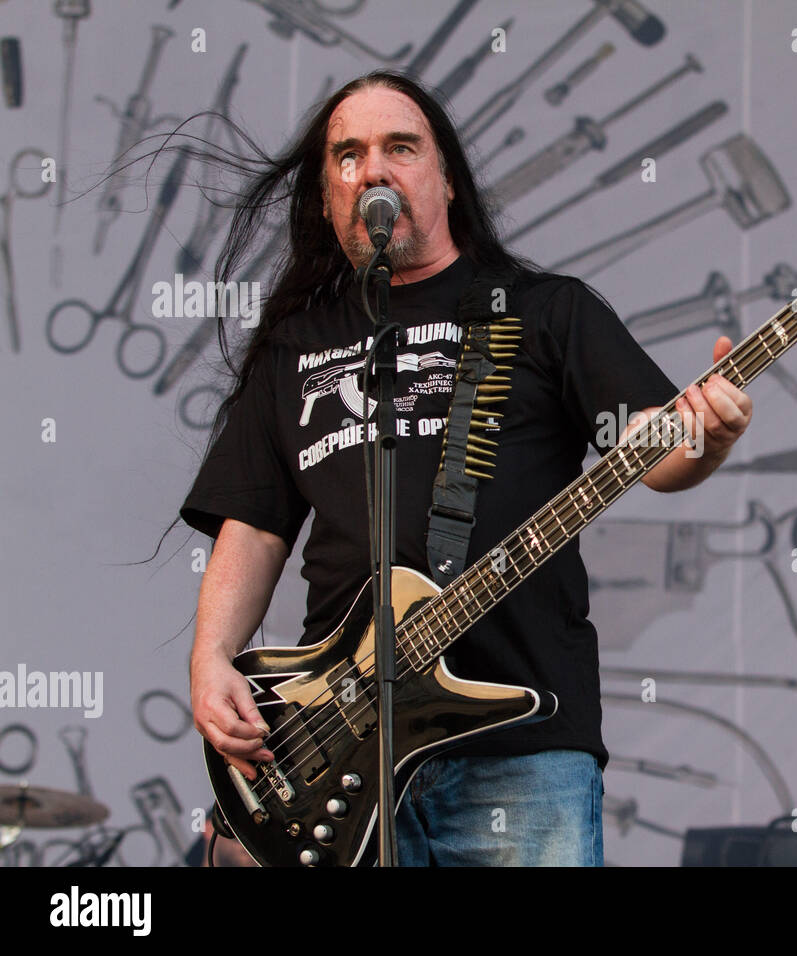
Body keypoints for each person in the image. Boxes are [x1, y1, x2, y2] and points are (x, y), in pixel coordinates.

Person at [182, 71, 752, 867]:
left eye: (399, 147)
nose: (373, 169)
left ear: (445, 179)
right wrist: (211, 660)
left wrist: (703, 438)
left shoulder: (546, 311)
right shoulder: (294, 347)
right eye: (347, 156)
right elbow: (255, 526)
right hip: (337, 741)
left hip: (522, 748)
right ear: (325, 199)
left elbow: (648, 447)